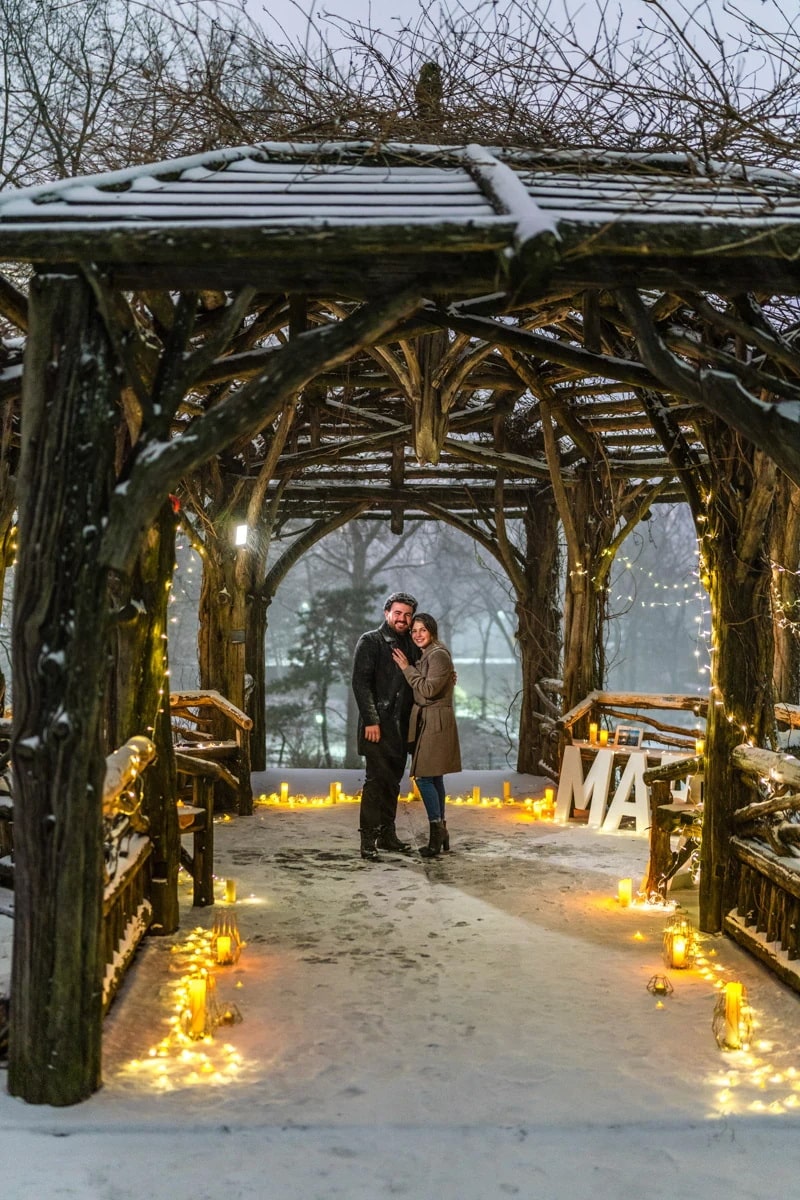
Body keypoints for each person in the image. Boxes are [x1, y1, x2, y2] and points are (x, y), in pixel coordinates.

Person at [351, 591, 420, 861]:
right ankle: (368, 839)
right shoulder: (370, 641)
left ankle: (387, 835)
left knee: (393, 782)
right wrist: (371, 720)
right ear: (387, 613)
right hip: (377, 725)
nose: (402, 619)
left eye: (407, 614)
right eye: (398, 613)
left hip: (402, 727)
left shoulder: (412, 643)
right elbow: (361, 683)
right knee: (375, 783)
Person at [392, 613, 461, 858]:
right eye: (414, 631)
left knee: (423, 777)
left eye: (422, 630)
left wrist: (406, 669)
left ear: (432, 631)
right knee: (434, 778)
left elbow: (429, 690)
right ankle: (440, 830)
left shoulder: (438, 654)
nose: (418, 634)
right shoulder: (429, 654)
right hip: (429, 720)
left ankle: (437, 830)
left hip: (436, 721)